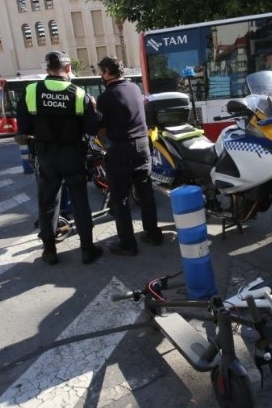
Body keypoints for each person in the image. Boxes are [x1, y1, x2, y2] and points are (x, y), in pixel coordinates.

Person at [16, 51, 103, 265]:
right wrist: (93, 108)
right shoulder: (79, 94)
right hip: (73, 154)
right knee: (80, 200)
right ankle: (87, 249)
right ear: (68, 68)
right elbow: (92, 129)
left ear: (47, 69)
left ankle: (49, 250)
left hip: (46, 155)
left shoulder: (31, 91)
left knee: (48, 202)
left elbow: (24, 128)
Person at [96, 56, 163, 256]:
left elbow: (101, 129)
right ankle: (153, 234)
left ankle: (127, 244)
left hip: (121, 149)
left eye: (101, 72)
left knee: (120, 197)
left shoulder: (105, 96)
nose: (100, 75)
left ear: (107, 72)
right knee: (145, 193)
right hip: (142, 145)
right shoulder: (135, 88)